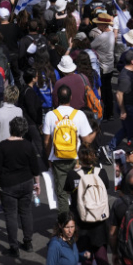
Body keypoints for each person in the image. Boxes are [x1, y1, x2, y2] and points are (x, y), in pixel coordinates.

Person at [0, 116, 39, 257]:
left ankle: (14, 246)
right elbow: (35, 168)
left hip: (8, 185)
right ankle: (28, 241)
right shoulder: (28, 146)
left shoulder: (2, 146)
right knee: (26, 212)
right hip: (26, 182)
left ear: (11, 128)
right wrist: (37, 184)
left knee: (11, 215)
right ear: (24, 130)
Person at [42, 85, 95, 213]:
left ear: (57, 98)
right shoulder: (79, 114)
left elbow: (46, 141)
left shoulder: (50, 115)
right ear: (71, 97)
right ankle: (79, 218)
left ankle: (65, 224)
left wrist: (49, 157)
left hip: (57, 159)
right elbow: (87, 140)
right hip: (75, 159)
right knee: (79, 190)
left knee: (62, 193)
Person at [63, 145, 111, 265]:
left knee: (86, 258)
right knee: (102, 256)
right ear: (94, 158)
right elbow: (107, 187)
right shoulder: (101, 173)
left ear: (79, 158)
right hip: (100, 219)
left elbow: (67, 190)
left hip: (81, 219)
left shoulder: (73, 174)